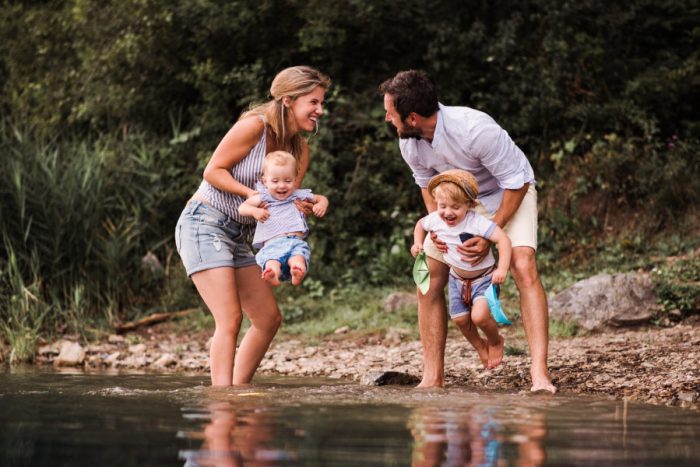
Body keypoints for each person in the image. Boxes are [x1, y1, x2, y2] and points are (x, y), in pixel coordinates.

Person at [379, 69, 555, 393]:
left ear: (412, 117)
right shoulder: (410, 144)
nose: (388, 118)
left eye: (391, 113)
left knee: (522, 263)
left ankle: (539, 374)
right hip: (456, 206)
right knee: (427, 274)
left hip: (507, 193)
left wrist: (491, 232)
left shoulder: (475, 129)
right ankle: (432, 378)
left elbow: (517, 183)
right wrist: (437, 232)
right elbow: (427, 188)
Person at [175, 65, 330, 386]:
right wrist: (252, 194)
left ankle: (238, 388)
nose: (320, 110)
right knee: (229, 318)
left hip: (240, 234)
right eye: (313, 102)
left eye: (321, 103)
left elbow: (285, 205)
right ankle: (222, 399)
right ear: (288, 100)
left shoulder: (299, 149)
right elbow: (213, 170)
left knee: (267, 319)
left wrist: (304, 209)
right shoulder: (254, 127)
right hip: (204, 222)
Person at [411, 170, 511, 370]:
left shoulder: (476, 221)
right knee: (460, 319)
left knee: (479, 316)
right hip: (457, 279)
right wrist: (417, 244)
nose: (448, 212)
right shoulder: (436, 220)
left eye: (456, 207)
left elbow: (503, 240)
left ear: (469, 205)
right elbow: (420, 225)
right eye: (442, 206)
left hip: (483, 279)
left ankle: (495, 340)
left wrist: (502, 268)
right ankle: (480, 346)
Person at [238, 150, 329, 286]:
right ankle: (272, 274)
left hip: (295, 241)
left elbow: (321, 198)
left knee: (298, 258)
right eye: (275, 181)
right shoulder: (263, 197)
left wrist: (322, 204)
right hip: (272, 244)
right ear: (265, 181)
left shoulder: (297, 195)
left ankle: (297, 272)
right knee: (272, 261)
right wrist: (255, 211)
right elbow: (242, 208)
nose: (281, 185)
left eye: (288, 180)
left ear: (295, 179)